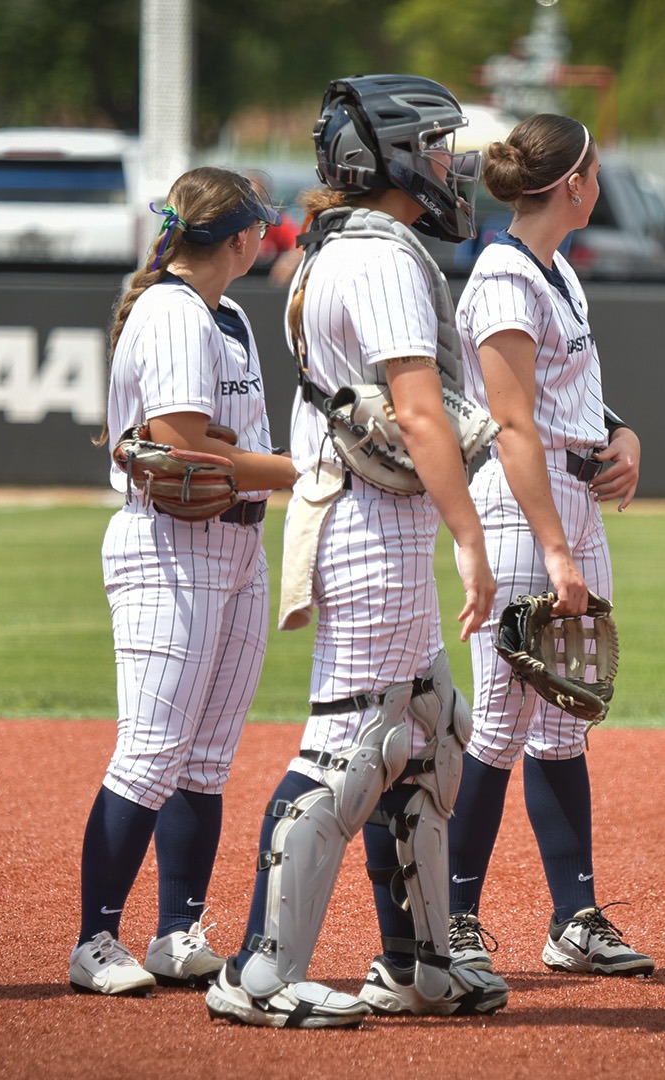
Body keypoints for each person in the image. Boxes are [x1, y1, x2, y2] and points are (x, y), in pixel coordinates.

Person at [202, 74, 509, 1028]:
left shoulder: (353, 246)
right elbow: (418, 412)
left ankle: (416, 967)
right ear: (392, 155)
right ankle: (258, 972)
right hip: (370, 525)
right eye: (440, 145)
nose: (453, 163)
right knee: (356, 744)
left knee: (426, 736)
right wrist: (472, 537)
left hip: (375, 518)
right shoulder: (377, 257)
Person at [68, 167, 294, 997]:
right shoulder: (170, 310)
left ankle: (176, 931)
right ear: (239, 237)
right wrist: (301, 470)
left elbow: (230, 452)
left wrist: (261, 469)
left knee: (205, 760)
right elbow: (187, 450)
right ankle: (95, 940)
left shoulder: (227, 313)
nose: (267, 236)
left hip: (236, 547)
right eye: (260, 226)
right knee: (151, 754)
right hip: (170, 545)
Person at [442, 113, 652, 979]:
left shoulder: (556, 269)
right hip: (526, 508)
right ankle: (450, 922)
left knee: (565, 726)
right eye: (595, 170)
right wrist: (557, 553)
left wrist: (624, 435)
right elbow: (515, 423)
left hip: (572, 495)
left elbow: (567, 403)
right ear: (570, 183)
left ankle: (574, 918)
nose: (600, 182)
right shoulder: (501, 277)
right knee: (497, 728)